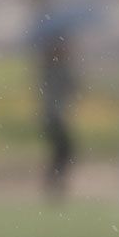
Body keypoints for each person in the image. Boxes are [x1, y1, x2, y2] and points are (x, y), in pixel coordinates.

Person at [37, 35, 78, 200]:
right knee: (64, 150)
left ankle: (54, 180)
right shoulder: (60, 70)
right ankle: (55, 180)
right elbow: (73, 86)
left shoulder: (47, 69)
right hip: (57, 117)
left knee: (59, 151)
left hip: (49, 117)